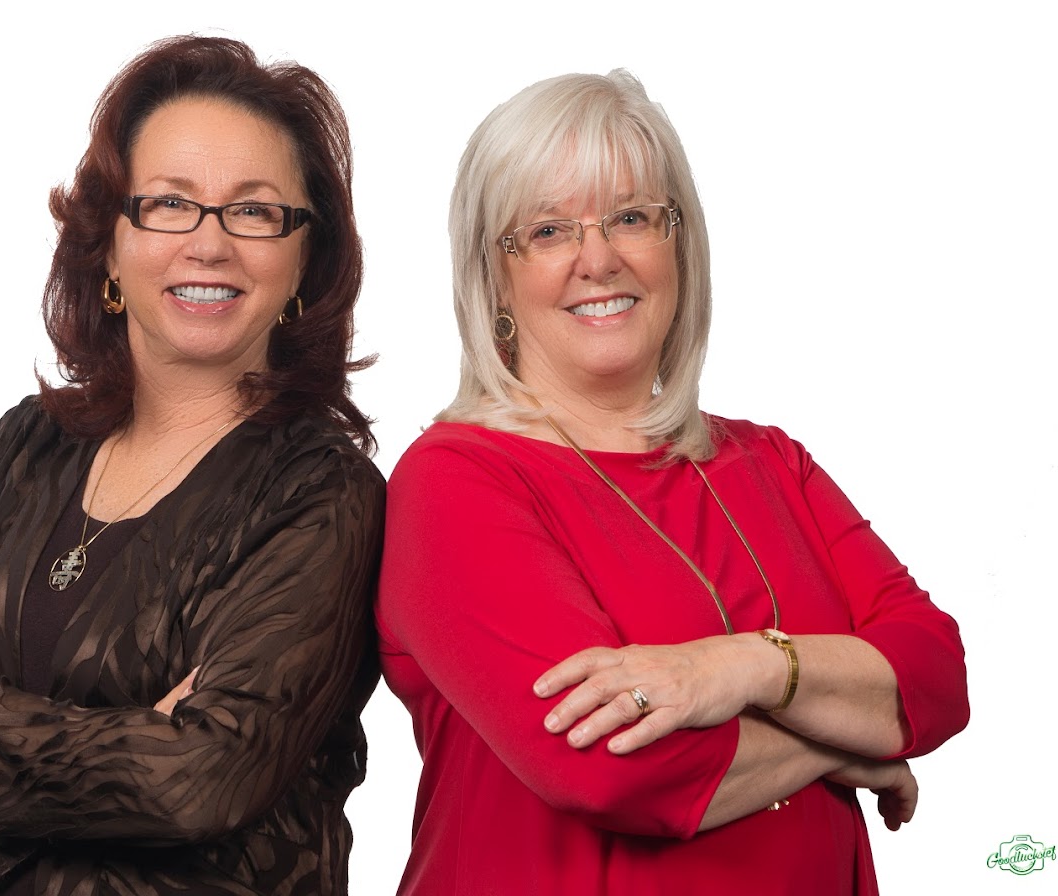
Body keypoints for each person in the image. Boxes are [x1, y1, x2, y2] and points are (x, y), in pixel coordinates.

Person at [376, 70, 969, 894]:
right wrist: (847, 741)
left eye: (630, 217)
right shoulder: (455, 483)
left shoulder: (770, 462)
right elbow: (606, 768)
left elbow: (934, 676)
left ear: (677, 244)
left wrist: (742, 670)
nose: (597, 258)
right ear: (494, 277)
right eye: (547, 231)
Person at [0, 36, 383, 896]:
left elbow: (203, 778)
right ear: (108, 247)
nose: (209, 244)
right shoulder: (29, 445)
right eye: (169, 203)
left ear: (303, 266)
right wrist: (131, 747)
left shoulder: (322, 494)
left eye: (254, 211)